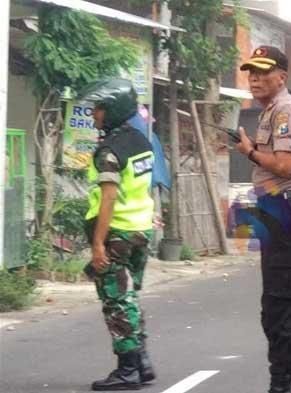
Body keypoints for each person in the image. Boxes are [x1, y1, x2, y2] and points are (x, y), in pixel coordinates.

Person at [235, 46, 291, 393]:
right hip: (278, 213)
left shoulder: (285, 109)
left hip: (288, 212)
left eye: (263, 72)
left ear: (282, 77)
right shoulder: (273, 111)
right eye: (251, 72)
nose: (254, 78)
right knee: (273, 313)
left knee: (284, 316)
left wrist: (250, 152)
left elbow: (285, 166)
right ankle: (280, 385)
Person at [77, 79, 156, 391]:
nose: (94, 114)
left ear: (112, 110)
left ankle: (128, 370)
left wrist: (98, 243)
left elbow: (108, 197)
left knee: (116, 301)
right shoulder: (142, 141)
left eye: (99, 108)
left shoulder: (109, 151)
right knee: (129, 297)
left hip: (118, 234)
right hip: (142, 229)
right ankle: (143, 362)